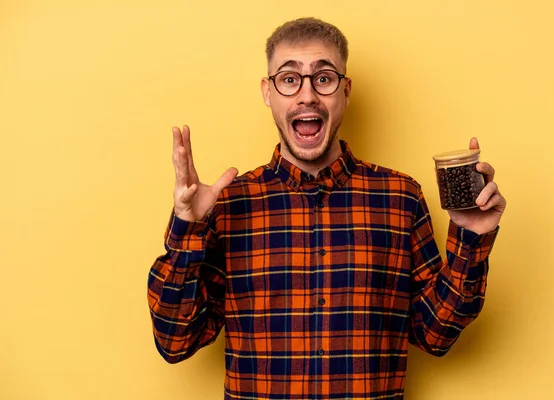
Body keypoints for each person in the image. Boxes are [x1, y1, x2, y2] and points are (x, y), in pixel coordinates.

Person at [147, 17, 506, 400]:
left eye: (323, 78)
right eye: (289, 79)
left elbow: (435, 336)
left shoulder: (401, 198)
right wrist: (187, 227)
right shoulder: (229, 204)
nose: (306, 96)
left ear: (345, 90)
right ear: (268, 92)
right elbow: (175, 342)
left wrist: (471, 239)